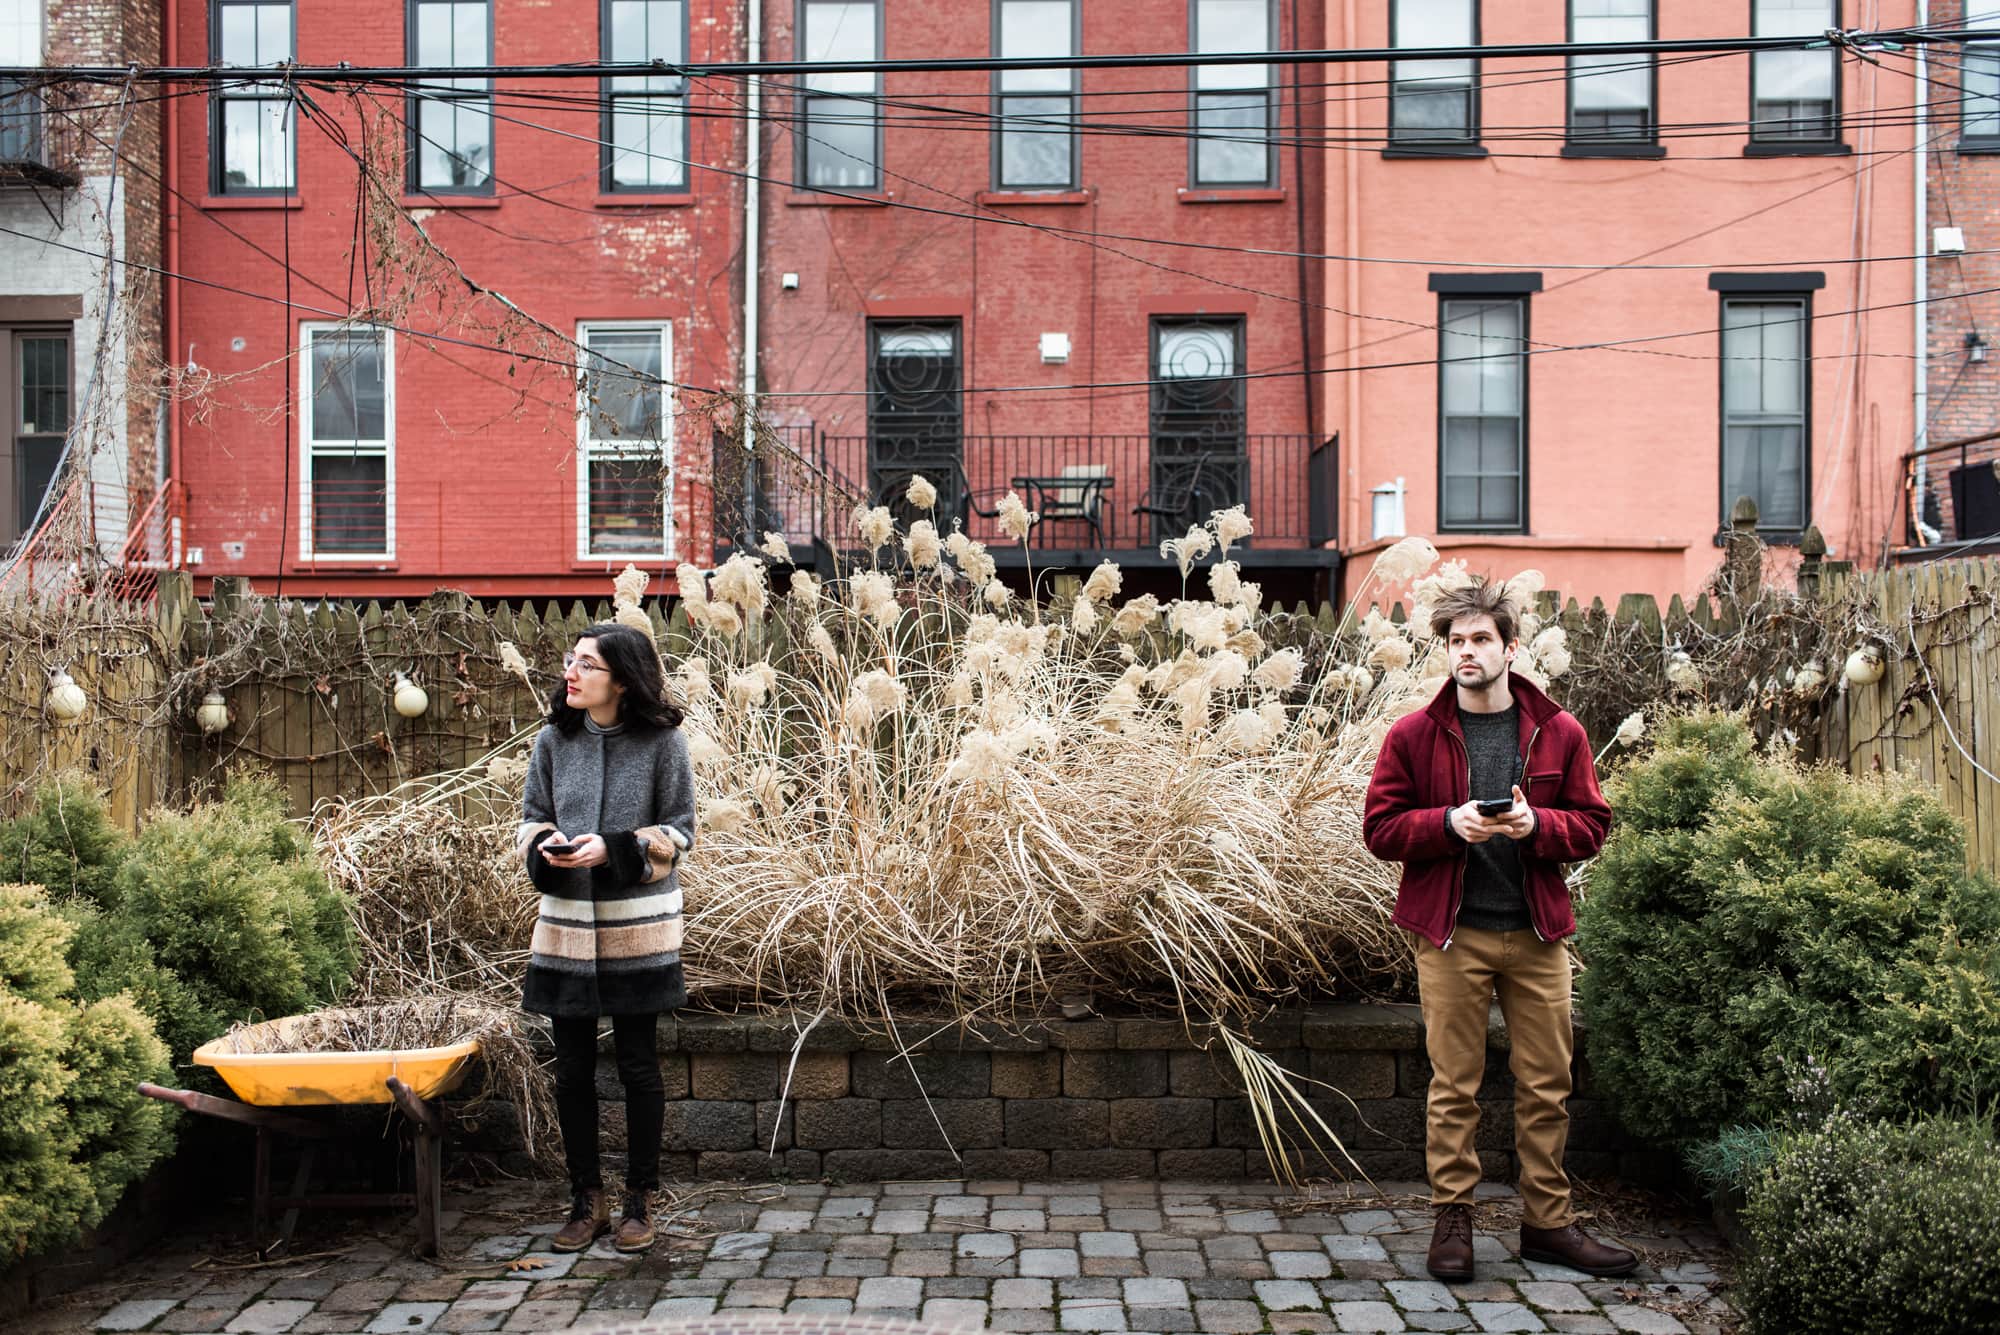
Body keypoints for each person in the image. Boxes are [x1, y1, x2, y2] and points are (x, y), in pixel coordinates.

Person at [1361, 579, 1635, 1284]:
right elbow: (1380, 829)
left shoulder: (1560, 732)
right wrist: (1447, 824)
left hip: (1538, 934)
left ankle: (1548, 1223)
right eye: (1456, 641)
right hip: (1451, 934)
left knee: (1548, 1083)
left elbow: (1594, 824)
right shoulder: (1414, 735)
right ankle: (1453, 1219)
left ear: (1511, 648)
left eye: (1481, 639)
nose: (1467, 652)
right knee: (1455, 1085)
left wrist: (1537, 825)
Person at [517, 623, 695, 1254]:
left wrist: (614, 849)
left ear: (621, 679)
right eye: (571, 661)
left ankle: (640, 1199)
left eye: (586, 664)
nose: (571, 672)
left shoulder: (663, 742)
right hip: (565, 925)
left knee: (639, 1066)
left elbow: (680, 834)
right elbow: (531, 819)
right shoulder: (552, 739)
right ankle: (585, 1197)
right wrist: (549, 849)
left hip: (636, 929)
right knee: (570, 1071)